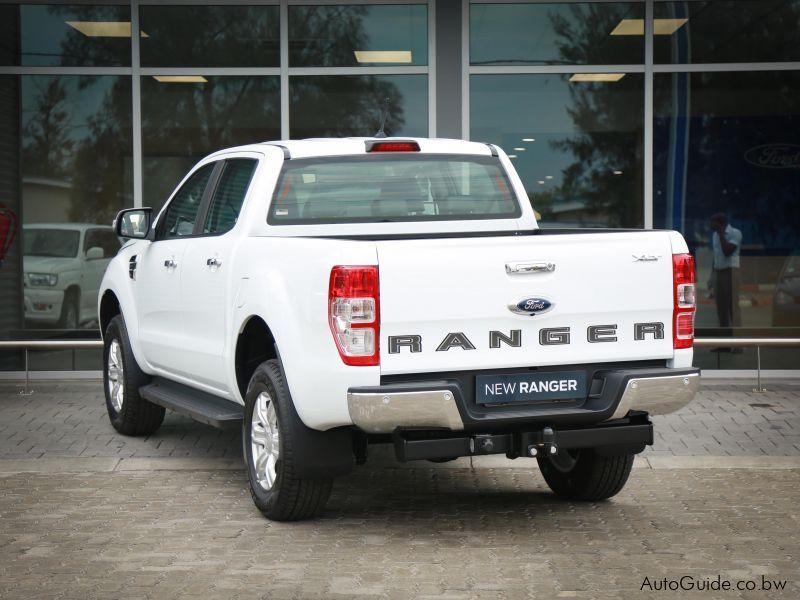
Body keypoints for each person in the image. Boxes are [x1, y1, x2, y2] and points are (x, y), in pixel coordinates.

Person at [710, 213, 742, 351]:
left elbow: (727, 251)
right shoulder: (715, 235)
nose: (710, 225)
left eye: (713, 223)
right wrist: (712, 276)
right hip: (718, 272)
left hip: (731, 271)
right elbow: (716, 256)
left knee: (732, 308)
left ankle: (738, 344)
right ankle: (724, 344)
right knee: (721, 309)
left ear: (720, 223)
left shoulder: (735, 233)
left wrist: (722, 233)